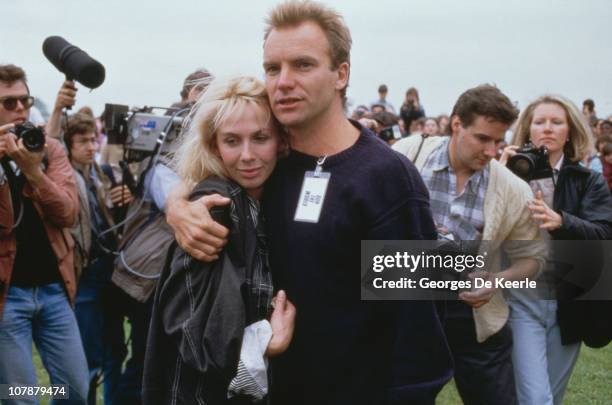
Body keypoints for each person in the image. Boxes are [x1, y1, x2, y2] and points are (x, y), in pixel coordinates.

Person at [166, 1, 452, 404]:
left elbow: (416, 326)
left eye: (303, 65)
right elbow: (198, 175)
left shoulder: (385, 179)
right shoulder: (265, 162)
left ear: (341, 73)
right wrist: (177, 206)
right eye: (272, 68)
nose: (283, 82)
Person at [143, 75, 296, 405]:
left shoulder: (267, 199)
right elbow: (194, 338)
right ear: (214, 145)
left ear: (281, 140)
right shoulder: (216, 208)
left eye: (260, 138)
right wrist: (267, 343)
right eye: (231, 141)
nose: (247, 155)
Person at [393, 84, 546, 405]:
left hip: (474, 316)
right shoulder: (407, 155)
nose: (492, 152)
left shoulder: (513, 189)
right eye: (482, 138)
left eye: (498, 141)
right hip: (406, 308)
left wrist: (495, 282)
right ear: (456, 124)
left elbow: (532, 259)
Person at [503, 94, 612, 405]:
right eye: (539, 122)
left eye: (556, 122)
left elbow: (604, 233)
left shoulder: (587, 180)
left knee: (551, 394)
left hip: (570, 301)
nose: (547, 128)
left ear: (570, 131)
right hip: (523, 297)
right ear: (527, 129)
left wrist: (562, 221)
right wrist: (498, 173)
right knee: (536, 398)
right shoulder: (507, 173)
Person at [0, 64, 89, 403]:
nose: (20, 109)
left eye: (24, 100)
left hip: (53, 289)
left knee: (75, 390)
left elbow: (67, 212)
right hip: (8, 296)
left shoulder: (48, 148)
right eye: (9, 103)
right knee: (21, 395)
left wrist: (33, 172)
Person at [64, 112, 133, 405]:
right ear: (68, 145)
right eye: (83, 141)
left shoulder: (101, 173)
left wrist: (123, 198)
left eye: (93, 139)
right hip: (85, 274)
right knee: (87, 358)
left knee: (115, 351)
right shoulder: (63, 175)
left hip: (109, 270)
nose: (91, 146)